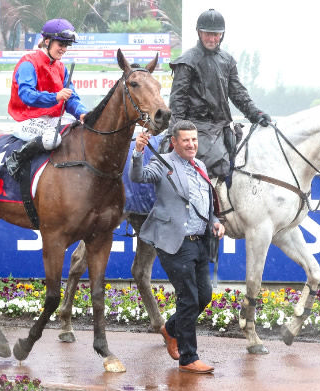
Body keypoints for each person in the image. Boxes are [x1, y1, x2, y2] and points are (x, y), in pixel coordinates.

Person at [130, 120, 225, 373]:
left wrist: (215, 221)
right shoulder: (162, 162)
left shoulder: (201, 165)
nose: (192, 144)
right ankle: (188, 358)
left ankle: (170, 329)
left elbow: (204, 203)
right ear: (174, 141)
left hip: (200, 241)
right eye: (186, 140)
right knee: (189, 298)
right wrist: (138, 152)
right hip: (173, 242)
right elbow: (138, 176)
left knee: (204, 296)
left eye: (194, 140)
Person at [167, 8, 271, 181]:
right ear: (199, 33)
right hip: (194, 127)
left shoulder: (228, 61)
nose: (212, 39)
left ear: (222, 35)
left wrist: (256, 114)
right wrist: (176, 134)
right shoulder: (186, 61)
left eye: (216, 34)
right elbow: (177, 100)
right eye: (208, 34)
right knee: (218, 164)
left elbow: (238, 93)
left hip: (222, 126)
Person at [5, 18, 88, 180]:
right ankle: (16, 158)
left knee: (81, 134)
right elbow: (26, 95)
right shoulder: (28, 63)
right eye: (61, 44)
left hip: (53, 119)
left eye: (66, 46)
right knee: (53, 140)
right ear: (47, 41)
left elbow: (71, 98)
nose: (64, 49)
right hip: (27, 119)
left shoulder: (61, 68)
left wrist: (83, 113)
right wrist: (55, 97)